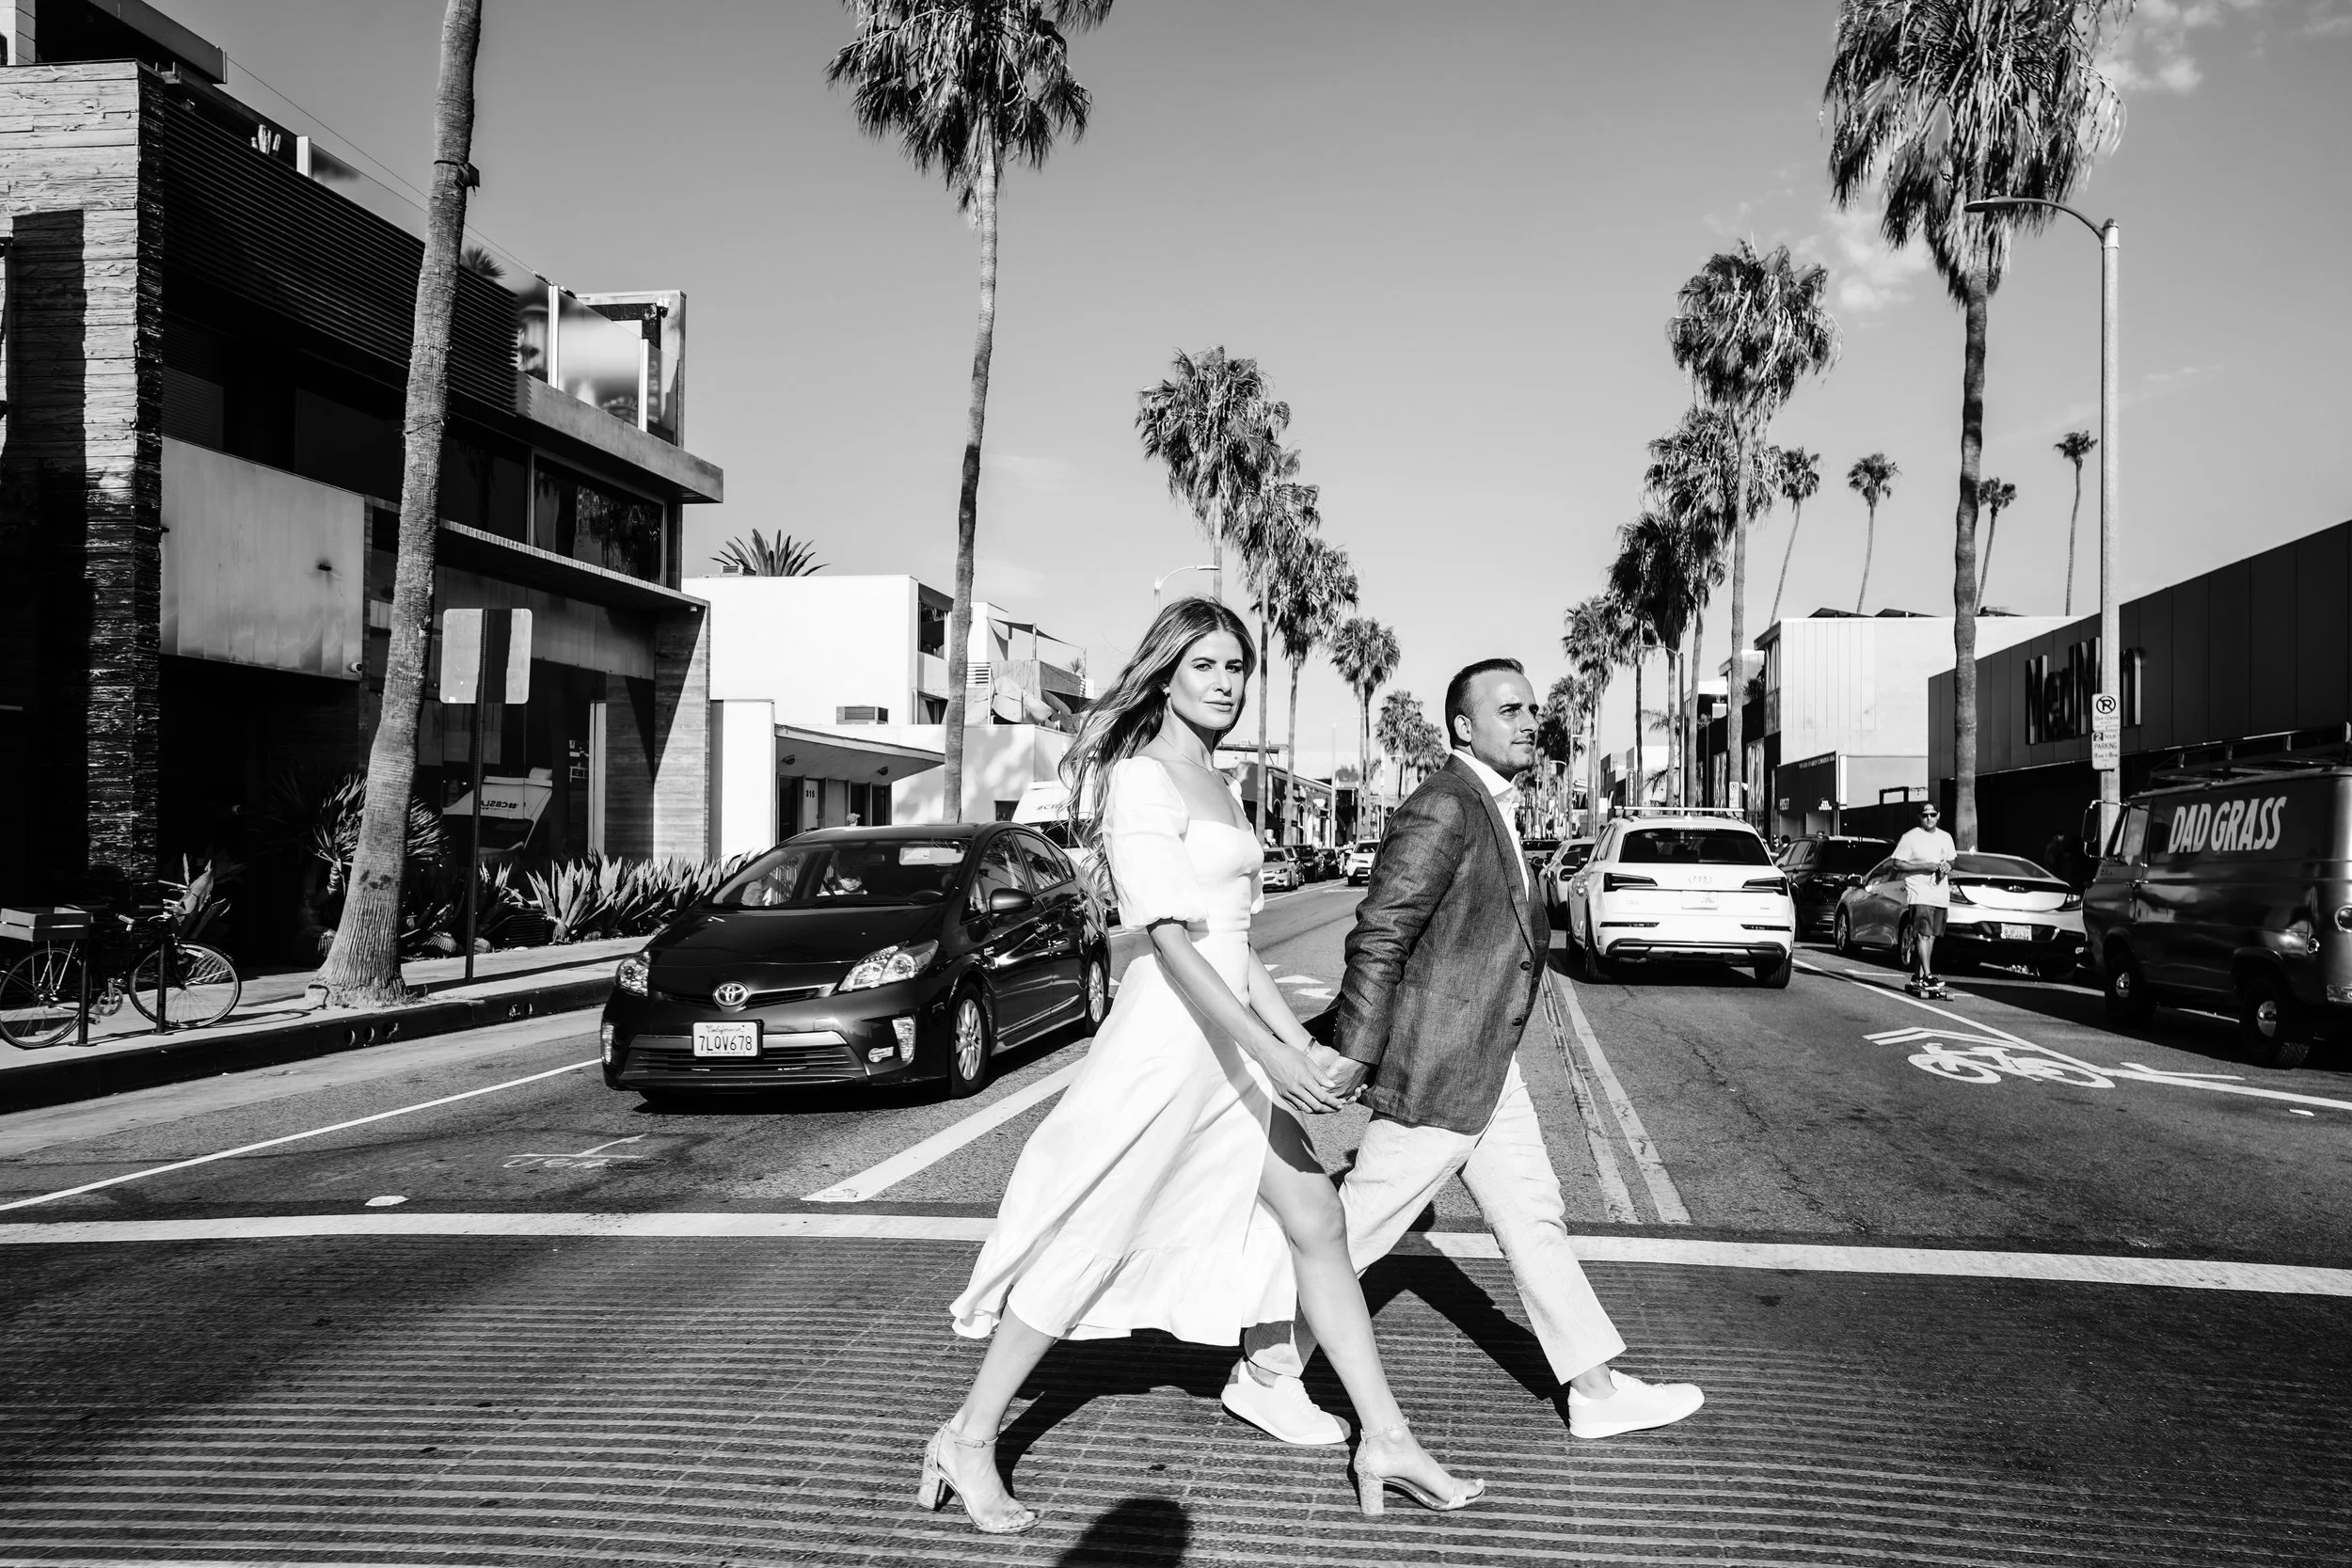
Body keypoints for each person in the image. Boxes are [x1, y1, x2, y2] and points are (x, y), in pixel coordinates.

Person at [930, 598, 1482, 1534]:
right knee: (1092, 1231)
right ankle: (968, 1435)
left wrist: (1295, 1042)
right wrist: (1270, 1051)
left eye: (1237, 667)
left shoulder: (1221, 784)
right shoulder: (1142, 779)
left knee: (1316, 1216)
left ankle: (1385, 1435)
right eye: (1206, 666)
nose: (1226, 683)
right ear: (1165, 675)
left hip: (1229, 1041)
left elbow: (1237, 944)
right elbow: (1175, 945)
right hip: (1170, 1041)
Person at [1233, 659, 1704, 1447]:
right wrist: (1355, 1049)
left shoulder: (1488, 802)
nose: (1529, 722)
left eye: (1532, 709)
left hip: (1484, 1060)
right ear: (1464, 724)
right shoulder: (1445, 804)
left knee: (1534, 1216)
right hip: (1442, 1061)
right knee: (1359, 1224)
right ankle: (1266, 1369)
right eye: (1510, 709)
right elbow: (1382, 932)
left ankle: (1593, 1386)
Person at [1892, 801, 1958, 997]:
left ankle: (1918, 977)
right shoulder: (1910, 837)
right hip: (1919, 891)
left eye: (1932, 814)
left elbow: (1953, 859)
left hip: (1939, 893)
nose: (1929, 818)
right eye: (1925, 815)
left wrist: (1948, 866)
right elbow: (1897, 863)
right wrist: (1924, 867)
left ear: (1938, 816)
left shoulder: (1946, 837)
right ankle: (1928, 976)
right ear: (1920, 817)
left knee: (1931, 936)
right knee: (1923, 934)